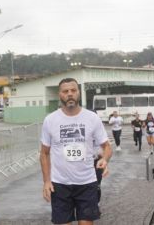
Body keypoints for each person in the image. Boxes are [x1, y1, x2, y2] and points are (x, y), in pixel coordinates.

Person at [40, 78, 112, 225]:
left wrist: (104, 159)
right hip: (60, 184)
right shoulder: (50, 120)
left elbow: (106, 146)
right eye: (65, 91)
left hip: (87, 182)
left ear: (79, 93)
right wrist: (46, 181)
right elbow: (44, 153)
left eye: (73, 90)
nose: (70, 94)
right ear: (59, 94)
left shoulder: (92, 118)